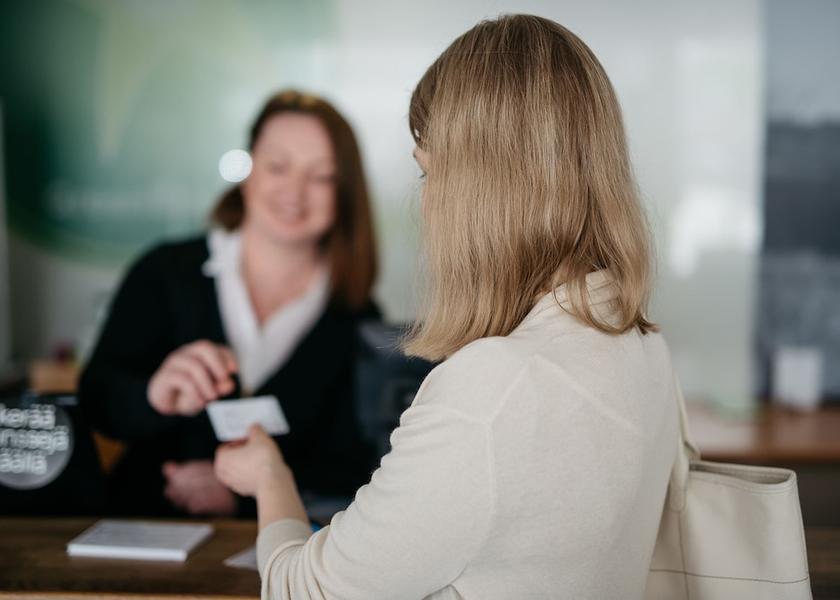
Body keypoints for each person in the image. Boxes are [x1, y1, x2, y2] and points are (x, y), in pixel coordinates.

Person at [215, 15, 678, 599]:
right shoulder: (640, 345)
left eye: (426, 171)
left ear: (478, 186)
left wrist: (268, 477)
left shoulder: (490, 387)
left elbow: (303, 590)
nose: (426, 201)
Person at [80, 90, 379, 517]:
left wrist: (245, 494)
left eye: (322, 176)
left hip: (279, 559)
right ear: (248, 169)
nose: (294, 190)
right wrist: (154, 395)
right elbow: (98, 401)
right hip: (141, 533)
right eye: (278, 166)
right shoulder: (166, 272)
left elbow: (355, 468)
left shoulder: (358, 319)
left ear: (346, 193)